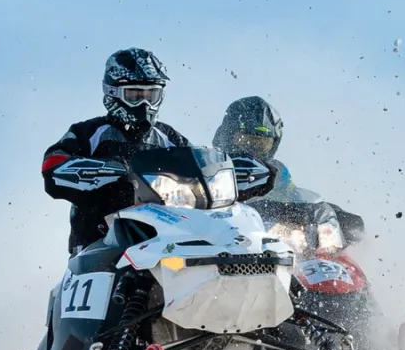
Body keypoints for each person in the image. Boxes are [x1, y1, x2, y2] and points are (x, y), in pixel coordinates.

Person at [40, 48, 190, 252]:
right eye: (135, 95)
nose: (144, 103)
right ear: (112, 93)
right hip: (99, 246)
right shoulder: (89, 132)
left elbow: (197, 164)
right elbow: (53, 164)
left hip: (163, 241)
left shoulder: (169, 138)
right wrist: (110, 170)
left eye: (151, 95)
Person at [212, 96, 305, 204]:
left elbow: (295, 198)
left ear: (274, 143)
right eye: (246, 141)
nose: (253, 149)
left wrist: (311, 210)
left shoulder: (279, 172)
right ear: (228, 136)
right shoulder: (209, 164)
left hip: (258, 220)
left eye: (262, 144)